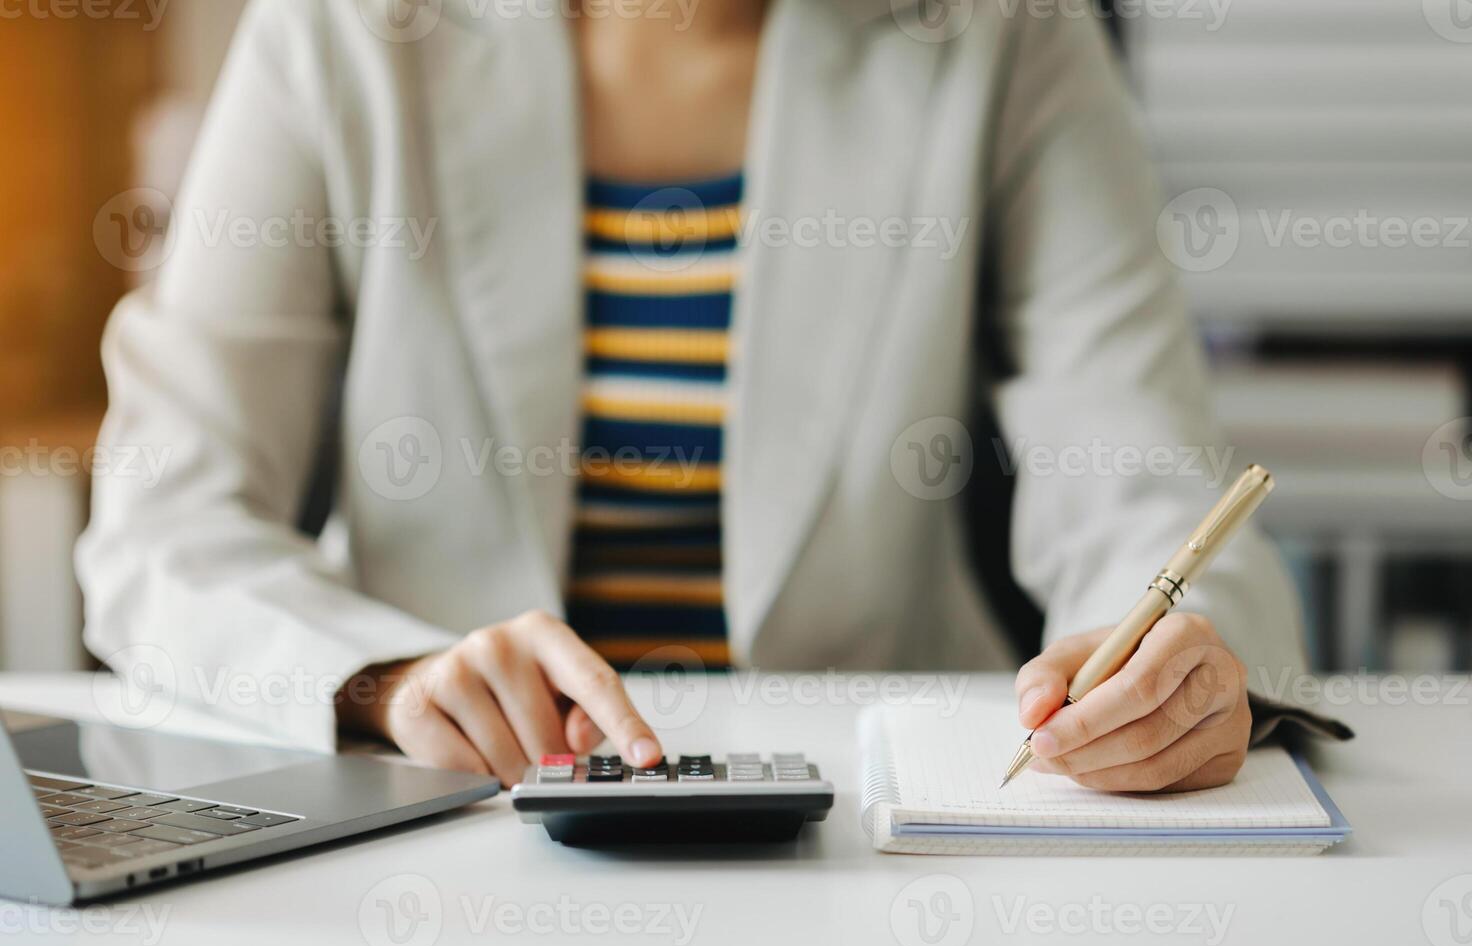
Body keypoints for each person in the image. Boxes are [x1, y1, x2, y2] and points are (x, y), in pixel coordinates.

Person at [77, 0, 1309, 793]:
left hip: (885, 840)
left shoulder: (1007, 33)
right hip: (447, 829)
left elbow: (1139, 478)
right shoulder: (337, 35)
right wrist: (384, 677)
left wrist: (1183, 665)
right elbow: (163, 525)